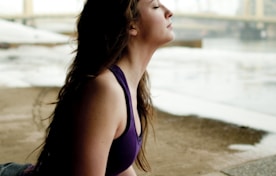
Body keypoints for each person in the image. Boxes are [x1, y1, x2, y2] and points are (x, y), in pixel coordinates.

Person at [0, 0, 174, 175]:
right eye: (156, 7)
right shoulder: (105, 89)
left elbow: (117, 163)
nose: (169, 12)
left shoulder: (128, 83)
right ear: (131, 25)